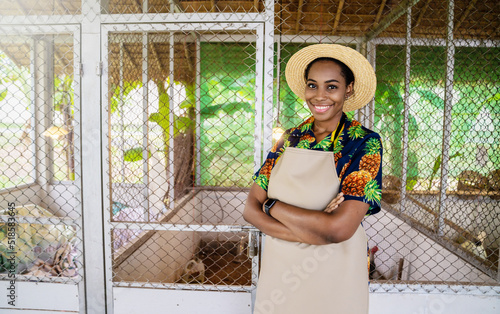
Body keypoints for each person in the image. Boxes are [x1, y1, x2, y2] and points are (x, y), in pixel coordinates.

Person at [243, 44, 383, 314]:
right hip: (281, 271)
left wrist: (273, 207)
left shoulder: (363, 143)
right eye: (312, 85)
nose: (320, 96)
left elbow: (339, 230)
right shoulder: (289, 138)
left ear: (348, 89)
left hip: (335, 272)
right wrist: (316, 230)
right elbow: (250, 209)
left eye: (331, 86)